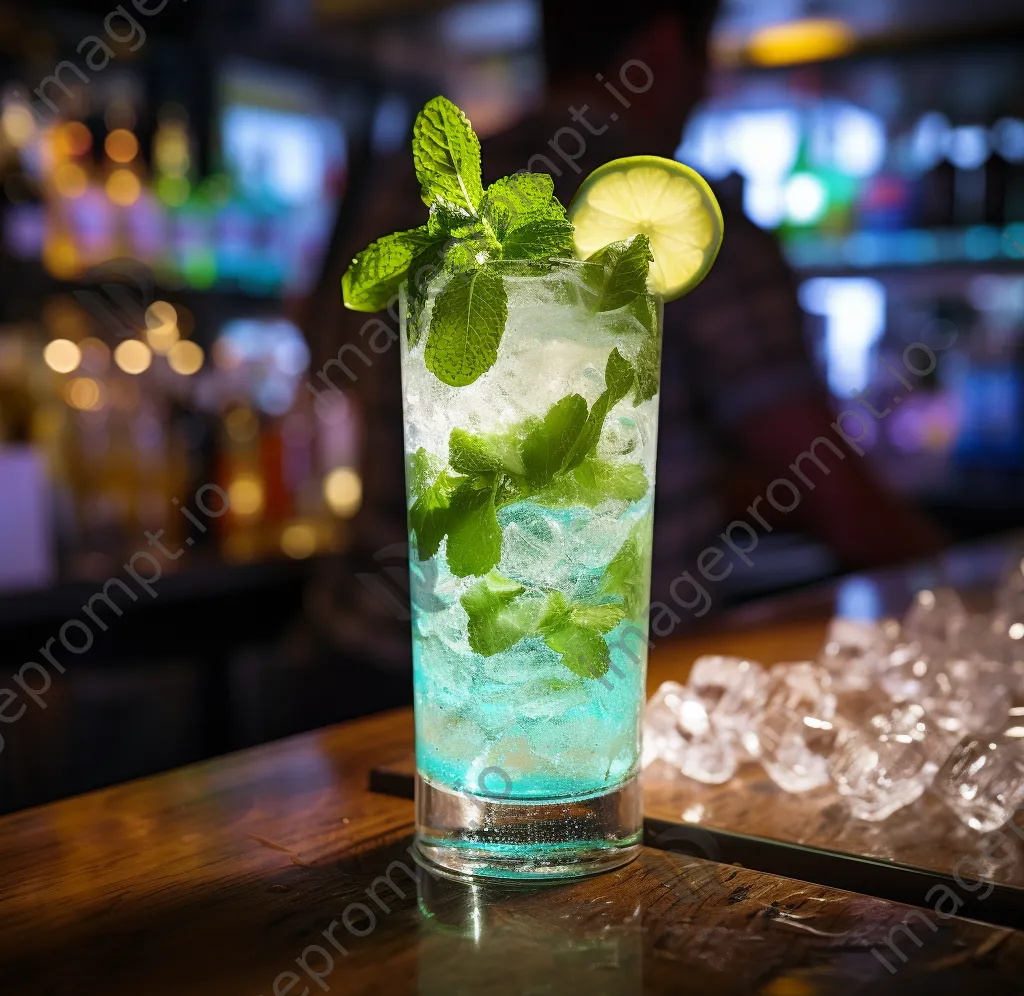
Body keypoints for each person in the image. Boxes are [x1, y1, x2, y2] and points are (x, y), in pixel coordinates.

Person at [301, 0, 945, 696]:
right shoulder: (676, 228)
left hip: (360, 663)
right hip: (602, 686)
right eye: (708, 66)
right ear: (666, 46)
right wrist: (958, 577)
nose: (704, 93)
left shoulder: (419, 194)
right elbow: (827, 488)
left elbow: (326, 364)